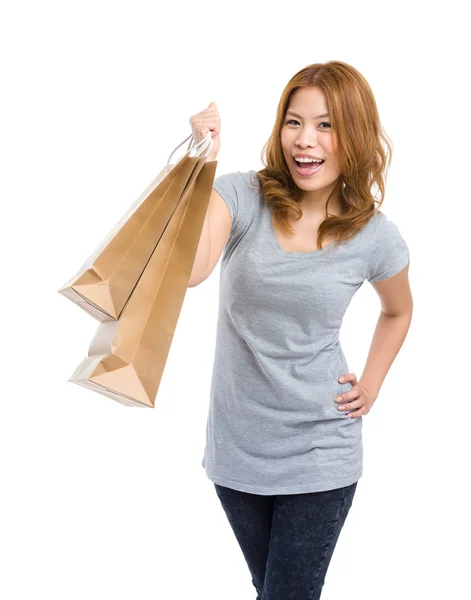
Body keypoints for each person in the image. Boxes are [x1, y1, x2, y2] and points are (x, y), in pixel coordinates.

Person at [188, 60, 413, 600]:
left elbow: (398, 312)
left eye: (326, 125)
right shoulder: (243, 196)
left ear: (353, 134)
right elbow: (192, 270)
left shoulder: (375, 237)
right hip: (237, 448)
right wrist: (202, 163)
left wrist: (373, 385)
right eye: (294, 122)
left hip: (320, 447)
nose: (304, 140)